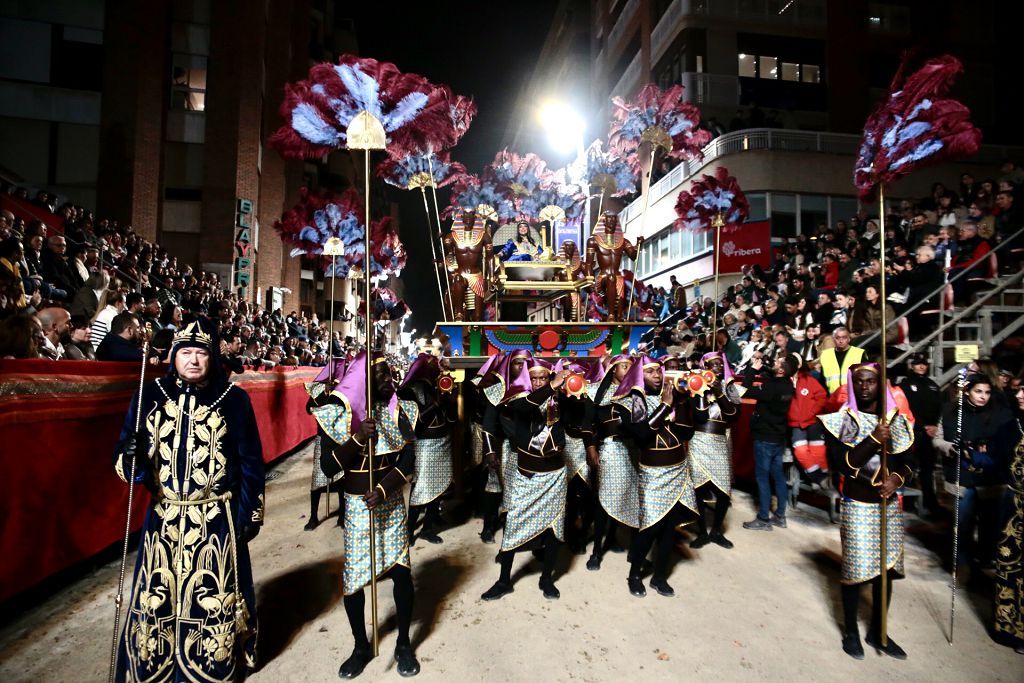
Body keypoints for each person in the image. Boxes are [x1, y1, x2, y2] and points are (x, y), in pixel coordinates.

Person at [112, 317, 264, 682]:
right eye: (186, 353)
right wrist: (131, 459)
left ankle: (212, 664)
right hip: (164, 518)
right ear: (174, 356)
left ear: (212, 357)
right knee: (156, 596)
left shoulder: (234, 400)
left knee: (212, 597)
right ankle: (155, 664)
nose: (193, 360)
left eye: (201, 353)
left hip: (216, 519)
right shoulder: (148, 395)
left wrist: (247, 516)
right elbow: (125, 464)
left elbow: (251, 464)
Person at [316, 351, 422, 678]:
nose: (390, 380)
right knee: (354, 580)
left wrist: (386, 489)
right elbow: (329, 467)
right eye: (381, 376)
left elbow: (407, 460)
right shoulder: (338, 414)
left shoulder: (402, 409)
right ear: (364, 382)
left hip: (389, 504)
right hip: (358, 508)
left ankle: (404, 642)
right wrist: (359, 437)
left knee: (402, 573)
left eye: (391, 374)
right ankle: (361, 645)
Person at [818, 363, 915, 660]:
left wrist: (897, 479)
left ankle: (879, 631)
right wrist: (874, 438)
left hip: (887, 507)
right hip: (858, 505)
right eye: (858, 382)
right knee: (856, 570)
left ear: (880, 384)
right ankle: (850, 631)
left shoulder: (896, 419)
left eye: (870, 382)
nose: (864, 387)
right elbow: (845, 465)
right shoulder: (842, 421)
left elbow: (909, 463)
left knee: (885, 571)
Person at [481, 361, 569, 601]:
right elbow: (526, 407)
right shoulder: (517, 399)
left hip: (555, 476)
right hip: (527, 475)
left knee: (554, 530)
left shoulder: (560, 398)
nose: (539, 382)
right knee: (513, 526)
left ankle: (547, 578)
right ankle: (503, 581)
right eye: (535, 379)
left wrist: (570, 387)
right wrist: (551, 386)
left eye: (544, 378)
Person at [616, 356, 696, 597]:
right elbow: (641, 434)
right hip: (653, 476)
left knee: (670, 529)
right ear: (640, 375)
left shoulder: (673, 399)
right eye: (650, 372)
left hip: (679, 472)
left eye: (658, 372)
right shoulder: (632, 401)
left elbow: (687, 433)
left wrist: (682, 404)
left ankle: (660, 576)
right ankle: (635, 575)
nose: (657, 376)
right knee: (649, 528)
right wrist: (664, 406)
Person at [934, 374, 1013, 576]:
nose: (983, 396)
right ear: (968, 390)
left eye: (987, 392)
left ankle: (987, 560)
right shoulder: (952, 411)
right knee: (963, 524)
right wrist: (951, 448)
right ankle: (962, 564)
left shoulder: (1001, 414)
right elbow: (938, 439)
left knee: (990, 524)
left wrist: (992, 450)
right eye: (978, 391)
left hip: (991, 479)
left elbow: (1010, 444)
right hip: (962, 477)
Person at [586, 354, 639, 570]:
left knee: (631, 496)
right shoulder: (597, 393)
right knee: (605, 499)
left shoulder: (636, 393)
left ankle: (617, 540)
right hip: (611, 450)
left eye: (630, 367)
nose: (627, 370)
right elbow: (587, 424)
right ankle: (597, 550)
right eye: (623, 366)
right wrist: (591, 448)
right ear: (613, 370)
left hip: (634, 450)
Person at [688, 351, 744, 549]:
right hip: (699, 441)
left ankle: (717, 531)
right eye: (713, 364)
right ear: (705, 367)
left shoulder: (728, 388)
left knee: (723, 492)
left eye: (720, 364)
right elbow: (700, 417)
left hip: (719, 441)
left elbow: (733, 416)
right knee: (698, 489)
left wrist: (719, 391)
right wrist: (703, 388)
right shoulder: (695, 385)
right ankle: (702, 532)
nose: (718, 367)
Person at [402, 353, 457, 545]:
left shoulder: (438, 386)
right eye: (435, 367)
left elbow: (451, 419)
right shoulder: (410, 391)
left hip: (443, 442)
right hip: (425, 444)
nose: (439, 370)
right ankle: (409, 530)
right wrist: (436, 404)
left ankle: (427, 528)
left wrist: (451, 400)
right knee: (421, 488)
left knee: (439, 488)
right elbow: (416, 423)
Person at [742, 354, 797, 530]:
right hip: (778, 437)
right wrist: (764, 368)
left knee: (763, 478)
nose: (774, 362)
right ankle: (780, 515)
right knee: (778, 476)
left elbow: (744, 389)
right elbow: (770, 377)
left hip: (764, 438)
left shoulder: (771, 387)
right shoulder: (788, 385)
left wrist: (752, 370)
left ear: (781, 370)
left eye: (777, 361)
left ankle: (763, 518)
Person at [993, 382, 1024, 653]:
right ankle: (1007, 629)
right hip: (1014, 505)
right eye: (1020, 389)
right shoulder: (1009, 427)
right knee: (1009, 564)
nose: (1020, 395)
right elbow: (996, 461)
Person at [303, 359, 346, 531]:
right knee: (318, 478)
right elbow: (309, 408)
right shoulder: (319, 389)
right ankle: (313, 516)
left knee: (342, 478)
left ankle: (342, 515)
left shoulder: (345, 389)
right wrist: (324, 394)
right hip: (323, 437)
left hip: (340, 437)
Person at [897, 354, 943, 515]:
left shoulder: (933, 385)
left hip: (930, 434)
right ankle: (907, 502)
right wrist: (922, 426)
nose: (921, 366)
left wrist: (936, 426)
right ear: (912, 366)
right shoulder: (904, 385)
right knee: (908, 468)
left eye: (923, 363)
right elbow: (906, 409)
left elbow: (939, 408)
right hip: (912, 433)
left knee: (927, 470)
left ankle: (930, 503)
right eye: (917, 364)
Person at [819, 327, 865, 394]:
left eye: (844, 337)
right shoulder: (826, 355)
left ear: (849, 339)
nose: (841, 341)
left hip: (853, 396)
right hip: (832, 397)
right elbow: (822, 379)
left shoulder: (859, 353)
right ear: (834, 339)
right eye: (838, 338)